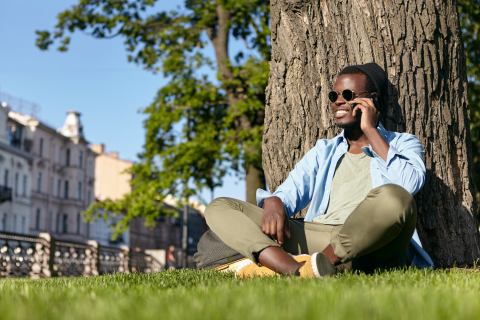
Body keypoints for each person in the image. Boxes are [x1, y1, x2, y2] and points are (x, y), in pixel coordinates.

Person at [204, 62, 434, 279]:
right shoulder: (324, 150)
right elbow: (290, 193)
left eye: (348, 96)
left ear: (372, 101)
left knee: (394, 198)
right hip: (323, 235)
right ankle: (298, 270)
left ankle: (313, 264)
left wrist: (370, 131)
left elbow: (407, 186)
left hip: (376, 244)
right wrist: (274, 200)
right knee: (219, 214)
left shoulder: (403, 143)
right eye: (334, 96)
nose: (338, 102)